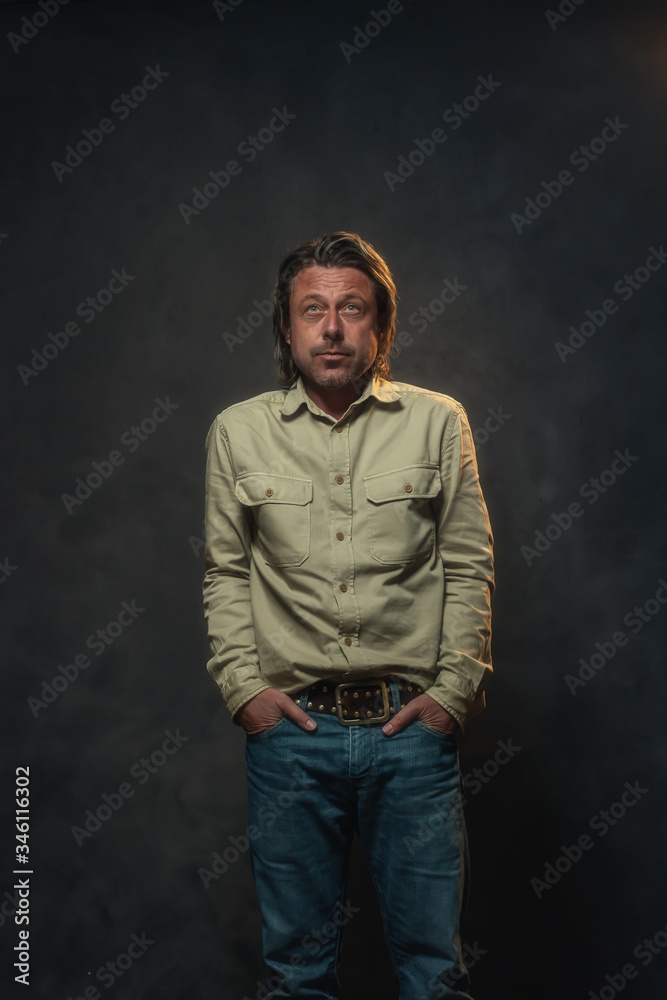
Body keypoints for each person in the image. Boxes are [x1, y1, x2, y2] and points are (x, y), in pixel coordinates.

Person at [203, 231, 494, 1000]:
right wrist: (244, 691)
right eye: (313, 310)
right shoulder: (238, 432)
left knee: (433, 975)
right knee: (296, 976)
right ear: (288, 328)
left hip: (412, 738)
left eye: (351, 309)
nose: (331, 327)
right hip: (290, 739)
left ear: (380, 327)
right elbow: (225, 572)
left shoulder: (438, 423)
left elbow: (468, 565)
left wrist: (452, 695)